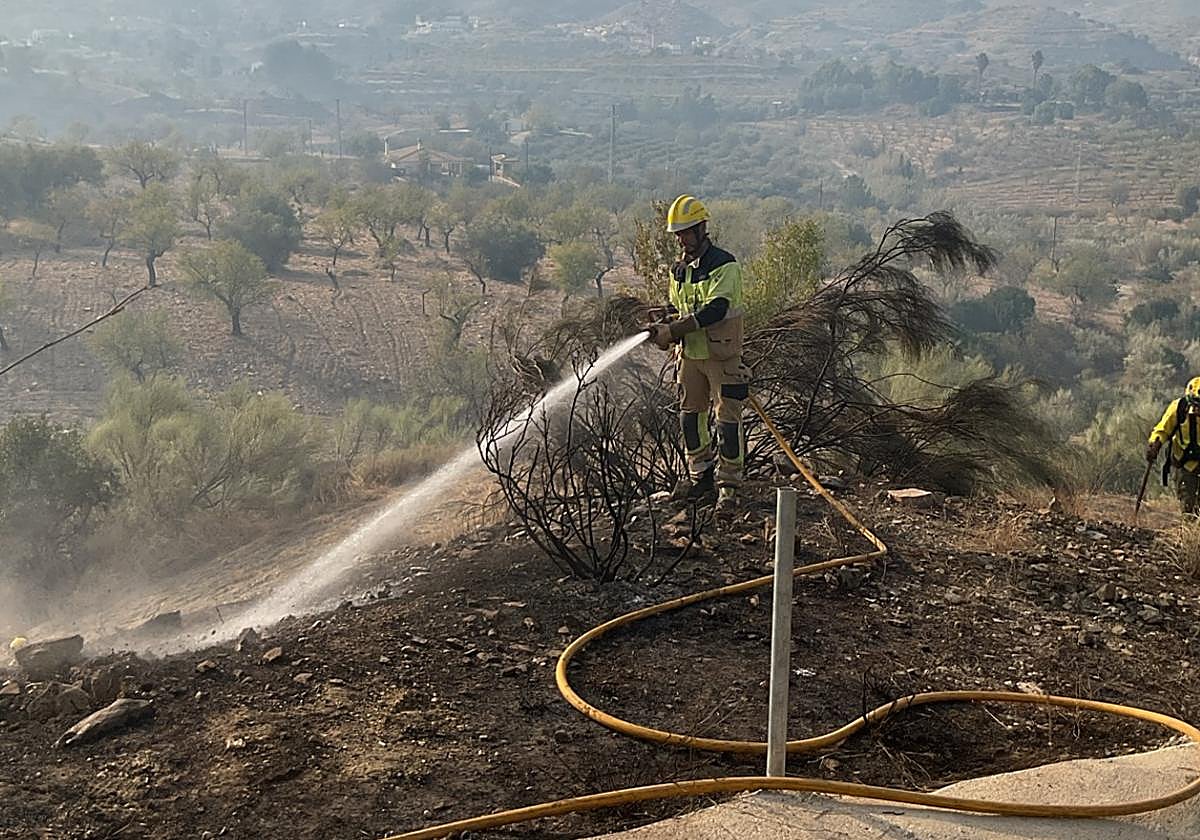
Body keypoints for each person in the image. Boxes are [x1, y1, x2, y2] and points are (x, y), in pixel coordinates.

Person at [647, 194, 752, 512]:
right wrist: (662, 320)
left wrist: (675, 330)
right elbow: (679, 308)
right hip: (690, 357)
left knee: (727, 421)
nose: (682, 239)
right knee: (691, 417)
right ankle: (700, 478)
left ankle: (729, 488)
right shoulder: (679, 270)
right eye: (678, 234)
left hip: (722, 357)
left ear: (702, 228)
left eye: (687, 232)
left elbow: (716, 310)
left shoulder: (724, 264)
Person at [1146, 376, 1200, 516]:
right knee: (1188, 507)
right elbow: (1162, 430)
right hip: (1184, 463)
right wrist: (1155, 444)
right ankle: (1189, 534)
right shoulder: (1179, 408)